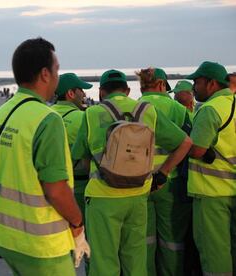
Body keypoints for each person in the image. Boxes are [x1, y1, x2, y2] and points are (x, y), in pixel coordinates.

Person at [72, 69, 192, 276]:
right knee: (136, 259)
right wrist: (162, 173)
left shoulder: (91, 114)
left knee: (104, 261)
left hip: (103, 197)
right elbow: (185, 142)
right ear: (128, 90)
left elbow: (80, 159)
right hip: (139, 194)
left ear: (101, 92)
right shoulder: (147, 111)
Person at [0, 38, 89, 275]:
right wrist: (77, 224)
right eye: (57, 70)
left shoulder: (1, 115)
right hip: (41, 244)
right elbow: (56, 190)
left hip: (6, 235)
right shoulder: (46, 119)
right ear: (45, 74)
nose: (57, 76)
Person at [136, 68, 194, 276]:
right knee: (172, 241)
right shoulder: (177, 108)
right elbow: (191, 144)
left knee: (145, 241)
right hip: (170, 183)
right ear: (161, 84)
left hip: (140, 184)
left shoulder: (136, 109)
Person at [186, 61, 236, 275]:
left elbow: (196, 150)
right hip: (232, 189)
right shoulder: (232, 103)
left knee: (214, 252)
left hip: (211, 193)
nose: (193, 88)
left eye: (197, 82)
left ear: (211, 83)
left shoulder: (210, 109)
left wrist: (180, 140)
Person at [51, 73, 92, 220]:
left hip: (49, 188)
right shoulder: (82, 118)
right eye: (81, 90)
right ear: (70, 93)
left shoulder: (46, 115)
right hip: (79, 187)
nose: (84, 94)